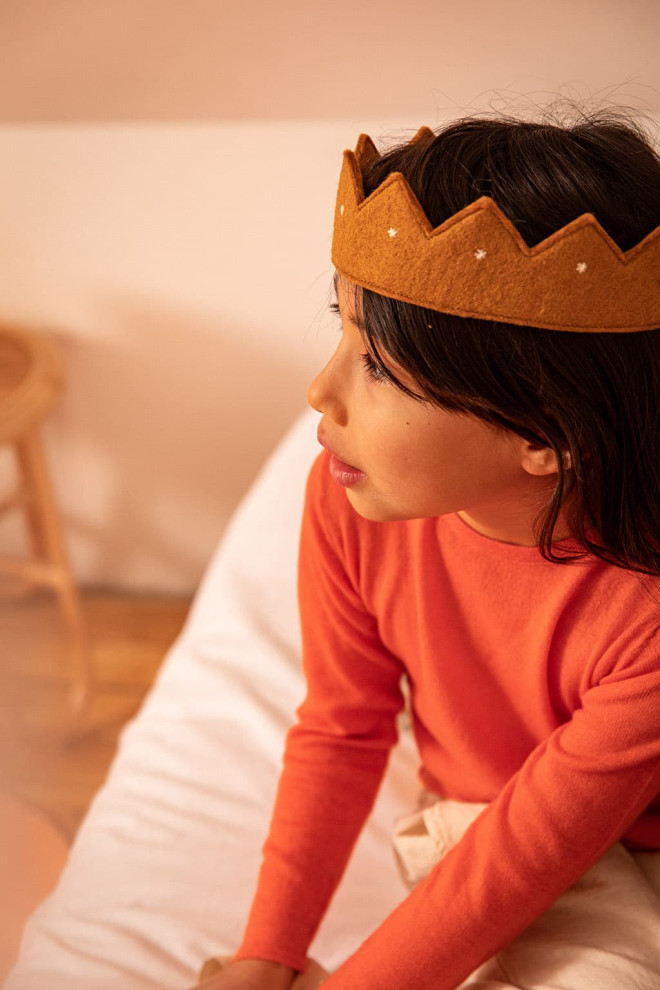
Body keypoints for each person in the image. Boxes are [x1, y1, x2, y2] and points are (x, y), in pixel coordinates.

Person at [189, 109, 660, 989]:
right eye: (342, 329)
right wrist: (268, 953)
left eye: (378, 367)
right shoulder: (348, 502)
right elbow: (342, 726)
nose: (320, 390)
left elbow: (522, 861)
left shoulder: (645, 612)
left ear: (546, 434)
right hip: (472, 825)